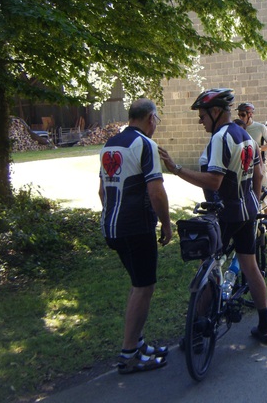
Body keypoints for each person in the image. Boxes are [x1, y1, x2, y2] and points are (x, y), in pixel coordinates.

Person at [158, 89, 267, 344]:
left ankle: (196, 333)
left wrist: (176, 169)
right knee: (250, 265)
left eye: (202, 116)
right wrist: (254, 204)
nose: (200, 121)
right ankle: (265, 324)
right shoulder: (245, 135)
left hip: (227, 213)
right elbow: (257, 176)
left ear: (215, 112)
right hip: (247, 212)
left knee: (208, 265)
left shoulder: (221, 138)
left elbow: (214, 180)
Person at [98, 98, 173, 374]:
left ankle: (138, 343)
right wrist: (166, 224)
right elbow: (156, 192)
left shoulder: (110, 144)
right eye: (157, 121)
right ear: (151, 118)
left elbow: (102, 192)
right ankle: (129, 354)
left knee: (137, 284)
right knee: (144, 288)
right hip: (137, 227)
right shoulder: (146, 145)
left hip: (112, 228)